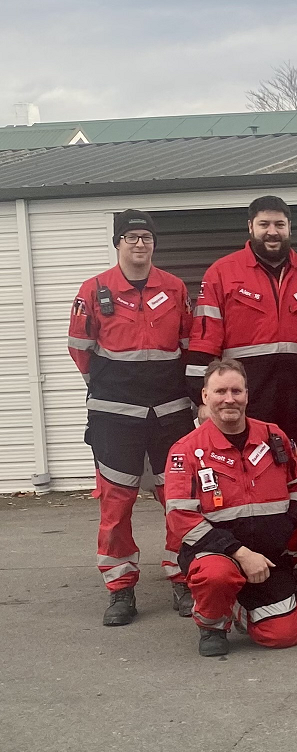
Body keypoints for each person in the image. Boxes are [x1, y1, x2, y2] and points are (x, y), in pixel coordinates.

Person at [68, 210, 196, 626]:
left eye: (146, 237)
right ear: (118, 243)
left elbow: (187, 343)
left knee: (177, 498)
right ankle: (121, 589)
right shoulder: (93, 289)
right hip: (113, 412)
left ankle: (183, 578)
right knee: (115, 503)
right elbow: (80, 349)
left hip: (170, 410)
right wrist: (110, 385)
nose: (140, 244)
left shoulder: (175, 287)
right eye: (131, 237)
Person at [165, 360, 297, 657]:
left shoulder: (274, 437)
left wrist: (289, 523)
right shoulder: (186, 450)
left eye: (236, 391)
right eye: (220, 391)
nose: (229, 399)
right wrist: (241, 554)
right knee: (216, 575)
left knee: (285, 635)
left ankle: (241, 607)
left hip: (267, 559)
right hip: (218, 555)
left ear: (247, 395)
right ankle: (213, 626)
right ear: (205, 396)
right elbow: (181, 518)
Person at [187, 195, 297, 457]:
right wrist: (201, 400)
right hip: (246, 396)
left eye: (279, 224)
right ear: (250, 227)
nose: (272, 232)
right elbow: (203, 341)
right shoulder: (222, 273)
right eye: (264, 224)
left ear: (290, 228)